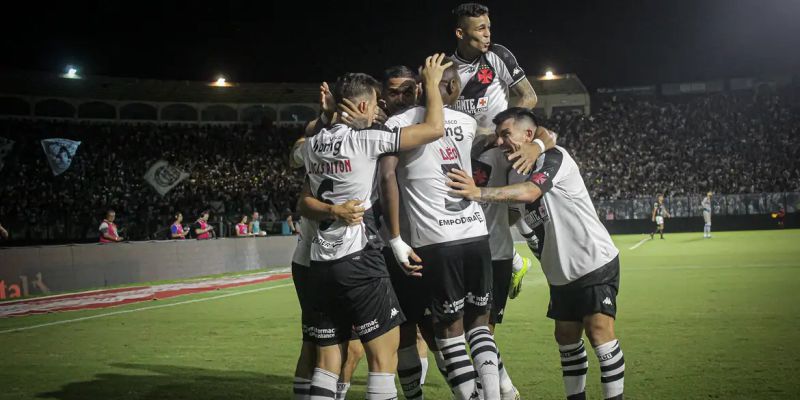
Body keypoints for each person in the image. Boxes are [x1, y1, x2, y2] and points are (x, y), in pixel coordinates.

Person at [298, 54, 452, 400]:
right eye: (375, 105)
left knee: (327, 360)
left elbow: (303, 202)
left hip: (319, 265)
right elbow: (434, 130)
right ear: (365, 104)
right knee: (383, 357)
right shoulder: (368, 139)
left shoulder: (312, 145)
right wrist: (429, 84)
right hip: (360, 261)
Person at [447, 107, 626, 400]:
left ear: (528, 135)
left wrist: (477, 193)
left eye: (506, 134)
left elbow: (531, 192)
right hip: (560, 272)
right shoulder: (513, 172)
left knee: (598, 331)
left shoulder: (554, 158)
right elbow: (515, 214)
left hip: (593, 260)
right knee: (566, 339)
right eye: (498, 136)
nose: (501, 142)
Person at [450, 2, 539, 324]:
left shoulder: (498, 55)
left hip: (496, 148)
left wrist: (500, 130)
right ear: (461, 33)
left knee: (508, 199)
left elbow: (528, 97)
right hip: (462, 151)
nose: (488, 35)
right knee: (471, 210)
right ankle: (516, 261)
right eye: (480, 30)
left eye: (489, 27)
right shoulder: (447, 69)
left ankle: (530, 243)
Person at [290, 133, 366, 400]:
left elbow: (295, 154)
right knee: (328, 347)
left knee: (320, 346)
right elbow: (304, 204)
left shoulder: (322, 160)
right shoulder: (331, 167)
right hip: (320, 262)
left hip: (316, 262)